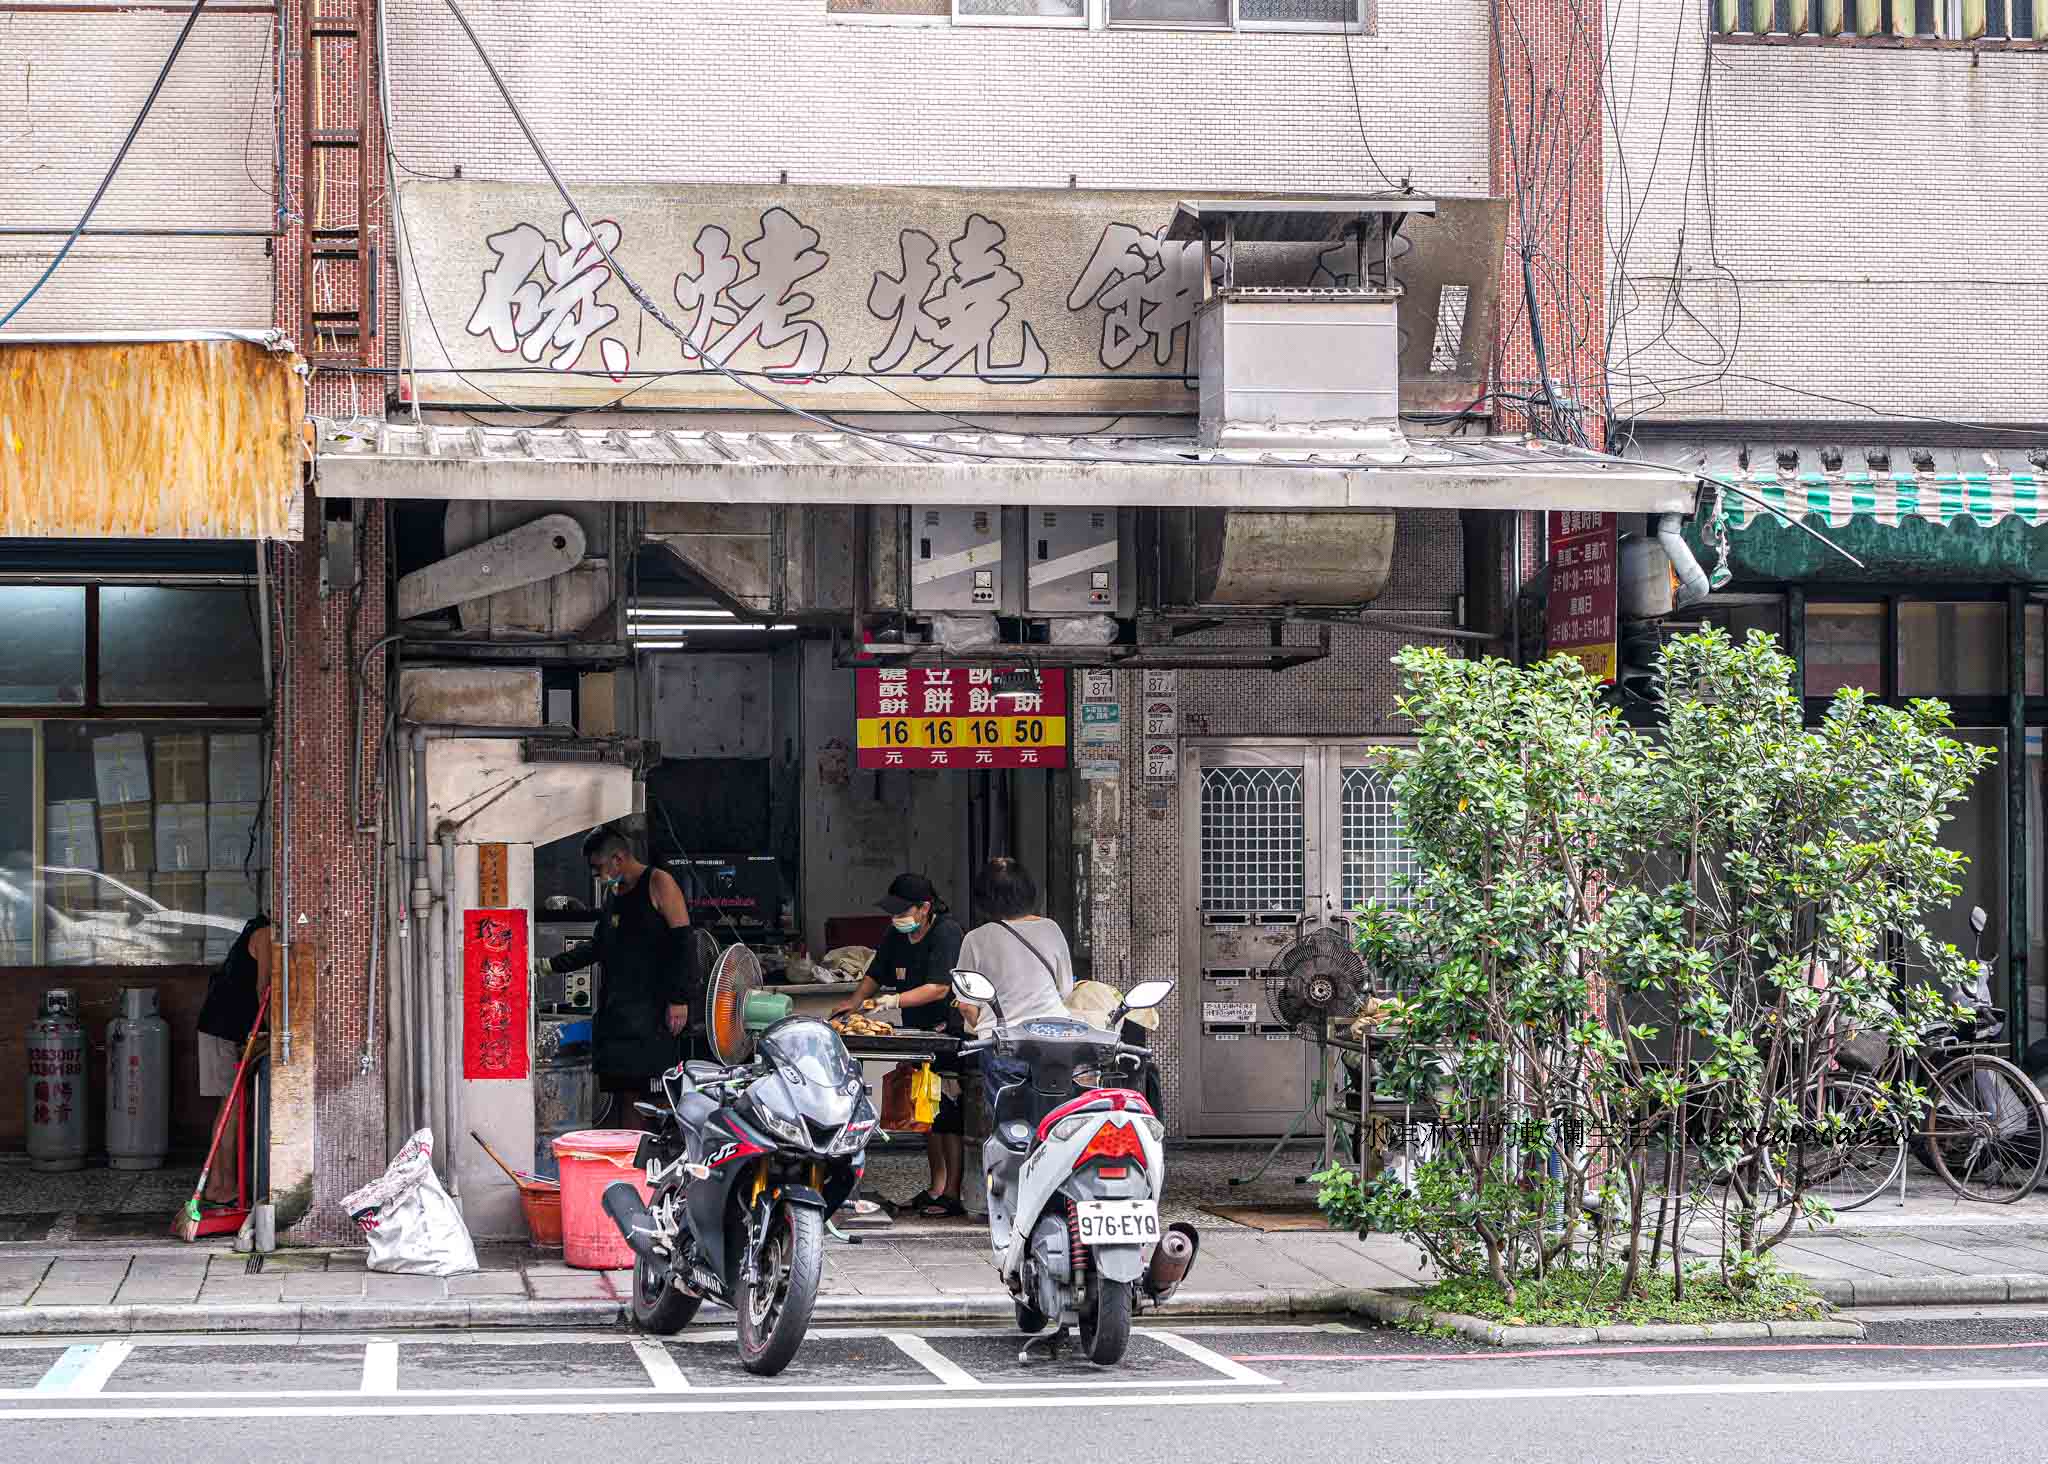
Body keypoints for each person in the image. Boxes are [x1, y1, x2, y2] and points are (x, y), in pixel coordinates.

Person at [540, 828, 701, 1132]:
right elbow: (599, 946)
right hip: (618, 1011)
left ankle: (656, 1160)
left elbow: (684, 944)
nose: (596, 875)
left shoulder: (659, 883)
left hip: (654, 1011)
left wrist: (680, 999)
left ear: (618, 858)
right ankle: (627, 1160)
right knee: (623, 1093)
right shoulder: (613, 895)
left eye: (598, 868)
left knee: (653, 1094)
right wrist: (549, 965)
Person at [833, 873, 968, 1217]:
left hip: (947, 1031)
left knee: (947, 1114)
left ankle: (951, 1193)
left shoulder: (947, 933)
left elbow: (939, 987)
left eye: (902, 911)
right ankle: (935, 1186)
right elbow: (876, 973)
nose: (896, 918)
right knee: (923, 1112)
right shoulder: (897, 933)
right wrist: (854, 1002)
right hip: (915, 1033)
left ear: (924, 908)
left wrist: (891, 1003)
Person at [957, 856, 1074, 1126]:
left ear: (985, 898)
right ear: (1027, 891)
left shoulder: (975, 939)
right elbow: (1065, 989)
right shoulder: (1051, 929)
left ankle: (1012, 1166)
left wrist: (986, 1024)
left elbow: (966, 1005)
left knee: (1010, 1123)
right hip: (1054, 1038)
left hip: (1004, 1042)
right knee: (1054, 1119)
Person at [196, 912, 272, 1205]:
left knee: (233, 1106)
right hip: (222, 1030)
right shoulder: (264, 933)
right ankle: (218, 1186)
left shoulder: (258, 929)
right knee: (231, 1108)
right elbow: (263, 987)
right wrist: (272, 1030)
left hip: (228, 1029)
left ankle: (223, 1183)